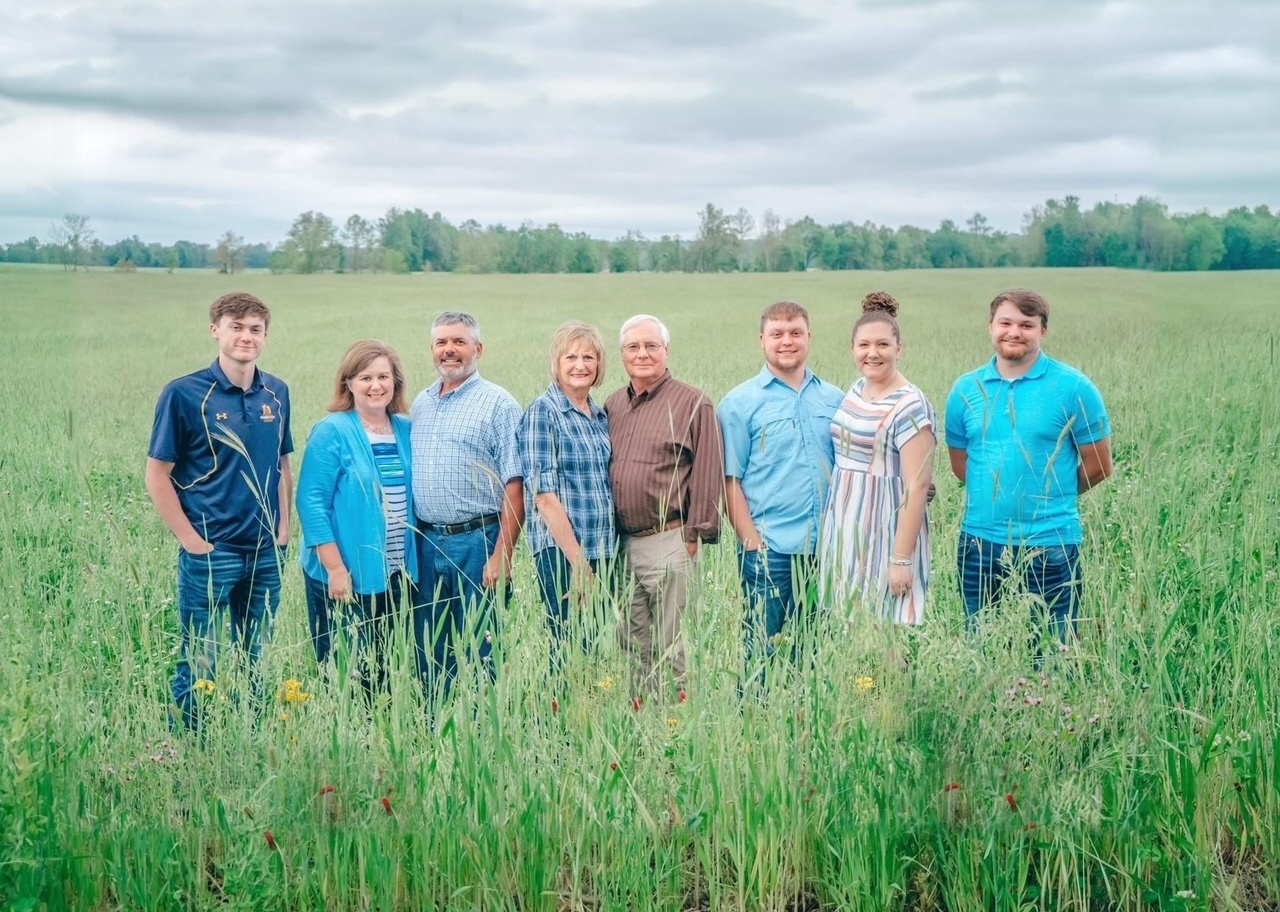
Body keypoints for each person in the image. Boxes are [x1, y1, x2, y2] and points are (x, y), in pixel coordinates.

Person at [145, 292, 293, 731]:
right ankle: (190, 750)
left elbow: (284, 464)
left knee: (257, 658)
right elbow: (157, 475)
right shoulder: (184, 393)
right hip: (214, 551)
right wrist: (192, 542)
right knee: (201, 661)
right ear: (216, 330)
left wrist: (283, 530)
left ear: (265, 335)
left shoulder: (277, 392)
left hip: (267, 552)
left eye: (255, 329)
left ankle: (251, 739)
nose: (246, 337)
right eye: (236, 327)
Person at [945, 288, 1112, 643]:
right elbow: (963, 467)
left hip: (1052, 545)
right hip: (980, 544)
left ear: (1043, 331)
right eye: (1005, 322)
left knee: (1053, 651)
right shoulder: (965, 390)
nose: (1014, 332)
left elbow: (1099, 465)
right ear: (990, 326)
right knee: (981, 647)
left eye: (1027, 324)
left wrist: (1053, 494)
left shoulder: (1074, 388)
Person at [718, 301, 844, 678]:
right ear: (762, 340)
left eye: (795, 333)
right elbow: (729, 482)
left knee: (815, 647)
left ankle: (805, 722)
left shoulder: (835, 399)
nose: (786, 342)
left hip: (825, 549)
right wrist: (752, 543)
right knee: (759, 646)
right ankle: (754, 724)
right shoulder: (738, 404)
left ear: (809, 337)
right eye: (777, 334)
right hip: (769, 550)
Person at [605, 315, 722, 694]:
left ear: (666, 350)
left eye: (651, 345)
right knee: (633, 641)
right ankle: (642, 720)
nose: (642, 354)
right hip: (621, 544)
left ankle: (674, 725)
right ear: (622, 354)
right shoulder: (612, 405)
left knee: (672, 643)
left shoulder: (693, 403)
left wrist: (694, 535)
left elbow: (708, 469)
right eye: (633, 347)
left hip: (669, 539)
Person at [410, 311, 524, 697]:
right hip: (426, 543)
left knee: (483, 647)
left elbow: (515, 486)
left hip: (478, 541)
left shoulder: (498, 404)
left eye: (459, 342)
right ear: (432, 349)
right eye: (442, 342)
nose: (450, 350)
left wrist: (502, 555)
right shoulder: (421, 404)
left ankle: (483, 730)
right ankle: (435, 726)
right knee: (431, 647)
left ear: (478, 348)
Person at [296, 340, 417, 696]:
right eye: (365, 377)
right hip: (345, 571)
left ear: (395, 382)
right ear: (348, 383)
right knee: (344, 667)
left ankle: (381, 734)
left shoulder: (406, 429)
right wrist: (335, 568)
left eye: (383, 376)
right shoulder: (332, 431)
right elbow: (311, 502)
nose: (376, 385)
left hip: (395, 572)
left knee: (384, 664)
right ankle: (345, 737)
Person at [820, 292, 937, 625]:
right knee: (847, 625)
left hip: (885, 530)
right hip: (844, 527)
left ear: (899, 349)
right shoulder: (856, 389)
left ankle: (890, 679)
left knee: (884, 628)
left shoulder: (911, 405)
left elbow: (918, 487)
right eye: (864, 345)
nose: (873, 353)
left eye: (883, 345)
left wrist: (900, 559)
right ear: (853, 349)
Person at [520, 321, 616, 670]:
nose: (580, 365)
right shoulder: (543, 413)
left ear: (599, 365)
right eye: (570, 356)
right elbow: (543, 496)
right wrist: (578, 564)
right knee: (569, 645)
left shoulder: (598, 414)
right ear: (556, 363)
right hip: (564, 554)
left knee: (596, 645)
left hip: (603, 548)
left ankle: (589, 715)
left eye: (588, 357)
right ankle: (558, 720)